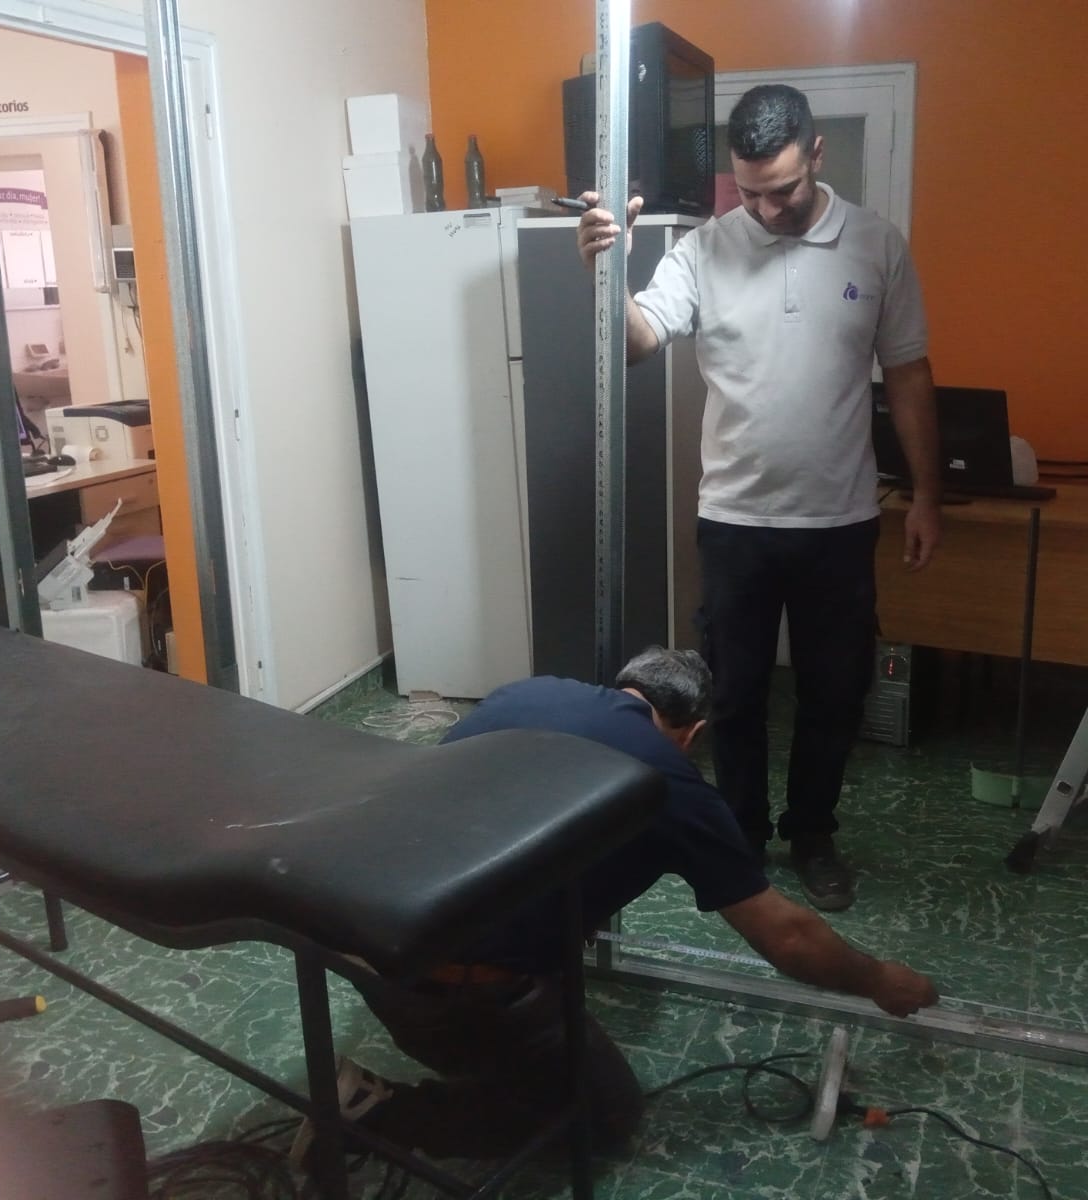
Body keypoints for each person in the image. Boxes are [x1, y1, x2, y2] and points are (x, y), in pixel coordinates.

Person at [298, 647, 938, 1166]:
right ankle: (370, 1110)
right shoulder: (668, 784)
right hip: (447, 993)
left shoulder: (526, 692)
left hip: (363, 934)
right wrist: (878, 980)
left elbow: (472, 809)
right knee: (605, 1118)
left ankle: (499, 1047)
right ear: (693, 732)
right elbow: (788, 937)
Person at [576, 84, 943, 912]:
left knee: (833, 695)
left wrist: (927, 494)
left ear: (817, 154)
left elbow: (909, 372)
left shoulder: (875, 244)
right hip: (735, 521)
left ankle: (812, 833)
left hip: (839, 522)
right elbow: (636, 341)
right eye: (749, 194)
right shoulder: (704, 250)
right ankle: (740, 838)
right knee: (736, 696)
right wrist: (606, 272)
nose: (768, 209)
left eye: (783, 190)